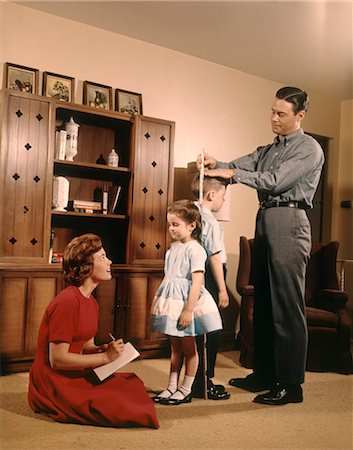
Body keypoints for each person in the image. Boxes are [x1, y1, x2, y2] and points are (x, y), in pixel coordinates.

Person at [197, 86, 324, 405]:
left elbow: (276, 181)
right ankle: (265, 374)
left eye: (282, 113)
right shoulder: (268, 149)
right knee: (265, 303)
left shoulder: (309, 149)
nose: (274, 118)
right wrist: (217, 161)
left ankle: (290, 384)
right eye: (272, 111)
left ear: (300, 115)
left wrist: (233, 173)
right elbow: (237, 165)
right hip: (265, 219)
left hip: (289, 221)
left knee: (286, 306)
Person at [28, 233, 159, 428]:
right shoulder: (67, 302)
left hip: (72, 370)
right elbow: (58, 360)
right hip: (53, 380)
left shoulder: (91, 301)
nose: (110, 262)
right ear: (86, 266)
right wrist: (106, 358)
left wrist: (103, 349)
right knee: (130, 407)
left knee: (132, 384)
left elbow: (85, 345)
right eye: (103, 257)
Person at [150, 199, 223, 405]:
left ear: (191, 225)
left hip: (186, 304)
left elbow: (197, 281)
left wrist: (188, 310)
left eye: (176, 224)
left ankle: (185, 388)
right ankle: (171, 386)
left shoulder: (196, 249)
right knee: (174, 348)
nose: (171, 228)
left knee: (189, 347)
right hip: (173, 303)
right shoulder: (171, 250)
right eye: (170, 224)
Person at [190, 174, 231, 400]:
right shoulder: (210, 221)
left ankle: (194, 377)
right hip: (211, 276)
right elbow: (215, 257)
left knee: (197, 328)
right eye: (223, 196)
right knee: (211, 328)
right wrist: (223, 289)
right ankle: (205, 380)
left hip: (194, 275)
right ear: (211, 194)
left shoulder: (189, 214)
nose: (223, 201)